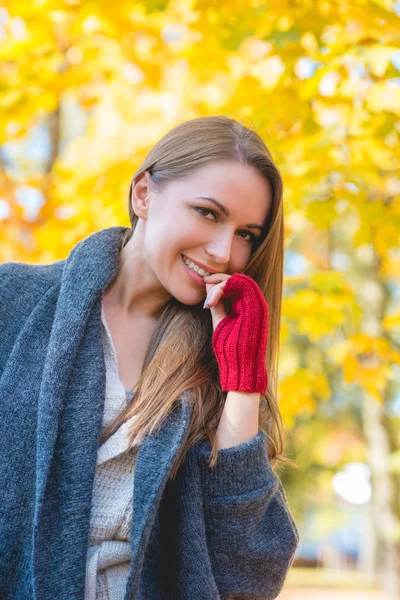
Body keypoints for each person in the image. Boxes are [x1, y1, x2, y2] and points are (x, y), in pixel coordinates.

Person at [0, 115, 299, 600]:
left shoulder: (219, 356)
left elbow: (249, 571)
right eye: (207, 213)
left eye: (247, 234)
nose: (224, 251)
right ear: (144, 194)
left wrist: (242, 383)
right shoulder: (14, 299)